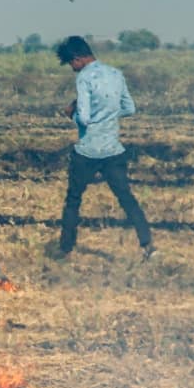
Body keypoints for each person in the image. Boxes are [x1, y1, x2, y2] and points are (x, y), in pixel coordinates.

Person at [50, 35, 154, 261]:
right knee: (126, 197)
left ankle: (65, 249)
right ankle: (147, 245)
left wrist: (72, 113)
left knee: (73, 200)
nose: (72, 69)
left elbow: (85, 118)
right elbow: (129, 108)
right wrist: (107, 115)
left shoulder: (84, 78)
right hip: (113, 150)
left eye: (71, 64)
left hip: (87, 151)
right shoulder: (116, 74)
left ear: (78, 59)